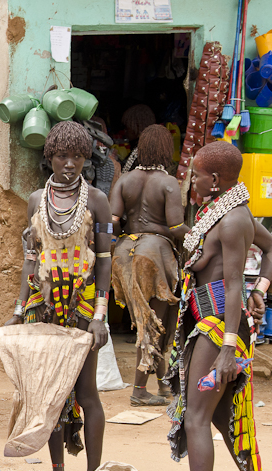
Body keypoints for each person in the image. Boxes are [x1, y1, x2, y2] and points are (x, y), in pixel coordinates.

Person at [163, 141, 272, 471]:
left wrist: (228, 348)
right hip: (212, 322)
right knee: (220, 415)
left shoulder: (231, 220)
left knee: (196, 417)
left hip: (219, 328)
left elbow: (232, 287)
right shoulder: (225, 211)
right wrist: (261, 288)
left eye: (195, 174)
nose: (191, 180)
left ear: (214, 180)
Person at [4, 121, 112, 471]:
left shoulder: (97, 200)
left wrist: (100, 315)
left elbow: (105, 261)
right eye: (63, 156)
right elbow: (31, 259)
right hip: (44, 304)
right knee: (49, 390)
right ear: (50, 157)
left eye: (78, 156)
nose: (70, 163)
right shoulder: (37, 199)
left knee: (85, 392)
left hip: (81, 307)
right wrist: (20, 309)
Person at [109, 125, 184, 406]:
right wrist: (201, 233)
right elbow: (176, 226)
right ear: (165, 150)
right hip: (155, 251)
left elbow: (113, 220)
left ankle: (164, 386)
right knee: (154, 323)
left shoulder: (125, 180)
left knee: (146, 321)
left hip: (125, 251)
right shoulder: (168, 183)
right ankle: (139, 391)